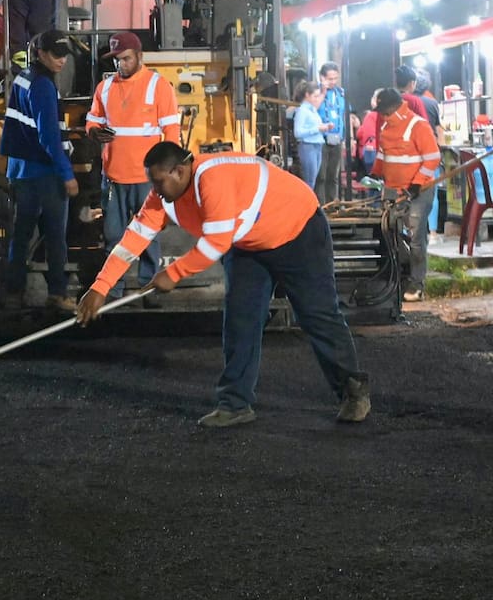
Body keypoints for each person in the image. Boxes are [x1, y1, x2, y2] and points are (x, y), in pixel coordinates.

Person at [76, 141, 371, 427]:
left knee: (317, 315)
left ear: (179, 171)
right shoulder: (164, 197)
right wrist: (100, 288)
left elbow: (215, 243)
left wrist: (173, 274)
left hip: (298, 230)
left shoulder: (213, 178)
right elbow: (133, 240)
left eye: (157, 182)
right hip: (249, 244)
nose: (153, 191)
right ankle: (235, 404)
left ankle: (352, 390)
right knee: (241, 320)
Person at [85, 31, 180, 303]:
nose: (121, 64)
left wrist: (169, 174)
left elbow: (171, 133)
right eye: (117, 60)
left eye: (126, 59)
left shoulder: (158, 86)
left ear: (139, 56)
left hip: (146, 180)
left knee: (148, 236)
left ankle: (149, 291)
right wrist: (93, 132)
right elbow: (92, 120)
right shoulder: (105, 88)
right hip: (113, 176)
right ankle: (111, 291)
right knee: (113, 236)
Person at [0, 30, 80, 310]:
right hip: (45, 172)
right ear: (41, 54)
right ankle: (57, 293)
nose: (62, 61)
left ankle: (13, 292)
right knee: (56, 236)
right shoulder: (44, 86)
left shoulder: (23, 78)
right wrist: (67, 174)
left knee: (21, 235)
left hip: (21, 169)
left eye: (64, 56)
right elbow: (49, 137)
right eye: (56, 55)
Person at [370, 87, 440, 302]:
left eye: (384, 111)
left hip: (419, 191)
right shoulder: (385, 125)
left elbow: (432, 158)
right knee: (388, 231)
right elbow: (383, 155)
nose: (382, 115)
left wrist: (418, 183)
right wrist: (374, 174)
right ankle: (399, 275)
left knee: (416, 238)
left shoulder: (418, 125)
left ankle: (417, 283)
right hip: (393, 190)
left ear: (393, 107)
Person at [413, 72, 446, 243]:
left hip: (412, 154)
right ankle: (432, 233)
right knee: (431, 191)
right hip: (430, 151)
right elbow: (439, 130)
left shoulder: (406, 102)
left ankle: (409, 231)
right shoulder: (432, 103)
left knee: (410, 193)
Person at [292, 81, 333, 199]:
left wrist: (324, 127)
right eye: (315, 96)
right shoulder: (302, 111)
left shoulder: (312, 110)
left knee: (313, 179)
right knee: (309, 181)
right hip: (307, 146)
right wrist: (317, 128)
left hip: (316, 145)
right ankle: (307, 209)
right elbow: (298, 132)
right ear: (307, 95)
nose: (317, 99)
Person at [316, 62, 348, 203]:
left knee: (333, 176)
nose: (333, 82)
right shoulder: (315, 93)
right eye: (330, 79)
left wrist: (347, 138)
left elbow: (344, 115)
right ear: (322, 77)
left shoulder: (340, 93)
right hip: (320, 139)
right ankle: (320, 206)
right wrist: (323, 90)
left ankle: (332, 204)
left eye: (335, 78)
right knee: (321, 175)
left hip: (337, 138)